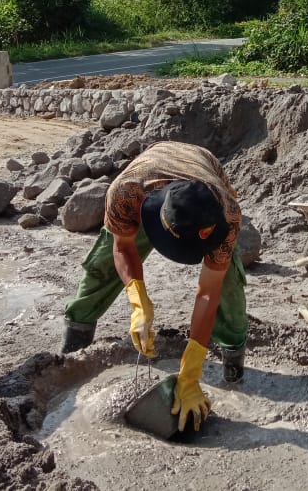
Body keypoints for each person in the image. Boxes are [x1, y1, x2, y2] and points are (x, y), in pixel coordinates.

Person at [60, 141, 248, 432]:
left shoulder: (227, 216)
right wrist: (138, 301)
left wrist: (191, 370)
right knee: (102, 266)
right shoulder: (126, 192)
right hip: (151, 187)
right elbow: (123, 247)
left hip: (203, 174)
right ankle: (74, 346)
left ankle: (233, 356)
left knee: (228, 287)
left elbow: (207, 292)